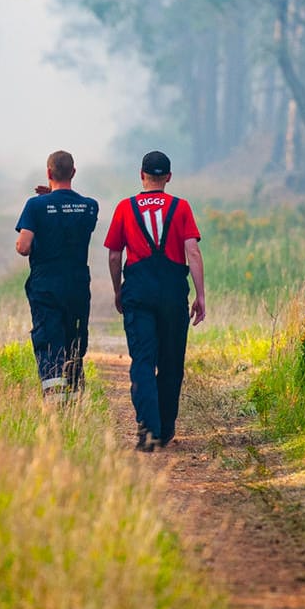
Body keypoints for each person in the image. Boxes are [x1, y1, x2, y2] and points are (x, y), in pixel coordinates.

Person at [104, 150, 206, 451]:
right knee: (172, 362)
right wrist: (200, 296)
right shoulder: (181, 207)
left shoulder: (125, 208)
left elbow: (113, 254)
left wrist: (117, 289)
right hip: (174, 294)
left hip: (138, 292)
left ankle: (148, 432)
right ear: (169, 177)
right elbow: (193, 253)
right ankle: (165, 428)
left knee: (143, 361)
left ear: (141, 175)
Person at [14, 150, 100, 395]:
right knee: (74, 340)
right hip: (77, 284)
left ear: (48, 173)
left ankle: (54, 401)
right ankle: (73, 396)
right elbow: (69, 217)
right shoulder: (90, 206)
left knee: (49, 339)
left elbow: (23, 247)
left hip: (46, 285)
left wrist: (47, 202)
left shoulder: (35, 206)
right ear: (73, 172)